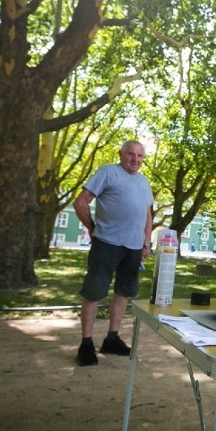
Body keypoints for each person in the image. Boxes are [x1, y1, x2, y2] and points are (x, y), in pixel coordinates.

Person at [73, 140, 154, 367]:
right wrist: (91, 227)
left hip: (134, 247)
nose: (135, 159)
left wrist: (146, 243)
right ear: (121, 154)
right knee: (94, 292)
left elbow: (147, 214)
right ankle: (86, 344)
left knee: (123, 292)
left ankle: (112, 338)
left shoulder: (143, 181)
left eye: (140, 156)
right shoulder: (108, 172)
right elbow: (80, 202)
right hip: (106, 243)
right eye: (131, 154)